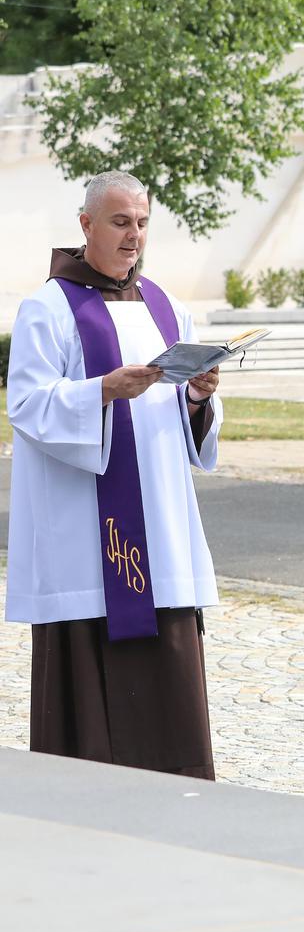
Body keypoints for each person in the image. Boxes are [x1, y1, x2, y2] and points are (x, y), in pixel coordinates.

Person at [7, 171, 223, 779]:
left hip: (160, 531)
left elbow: (185, 425)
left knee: (169, 684)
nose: (134, 237)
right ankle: (85, 798)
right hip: (84, 537)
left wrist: (200, 397)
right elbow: (25, 403)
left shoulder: (167, 307)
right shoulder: (47, 308)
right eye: (120, 222)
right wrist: (102, 391)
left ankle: (179, 791)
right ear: (86, 225)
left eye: (143, 222)